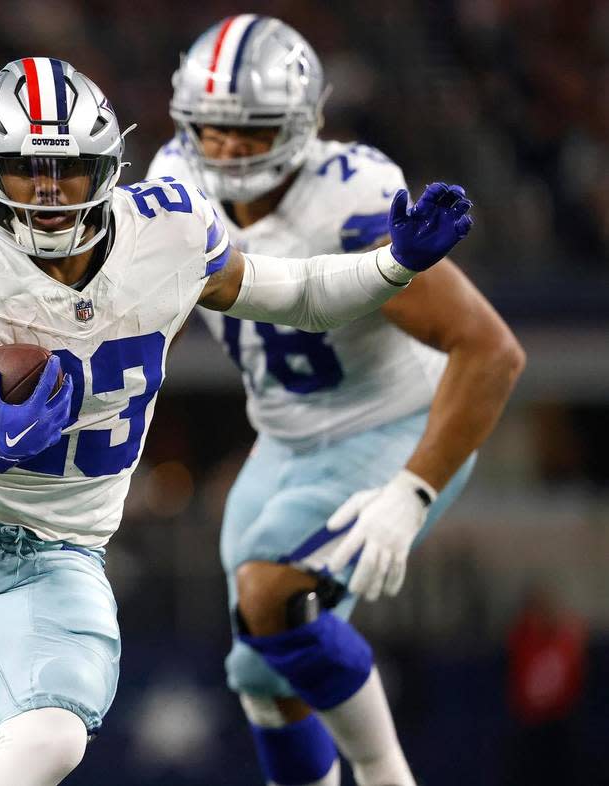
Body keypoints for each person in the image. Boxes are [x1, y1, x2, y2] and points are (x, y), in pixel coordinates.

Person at [0, 57, 473, 786]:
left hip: (61, 550)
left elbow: (292, 291)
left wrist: (392, 263)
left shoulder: (166, 235)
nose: (48, 192)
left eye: (69, 168)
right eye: (22, 167)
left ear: (108, 166)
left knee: (50, 745)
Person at [147, 16, 525, 786]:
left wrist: (411, 491)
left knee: (273, 596)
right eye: (211, 129)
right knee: (258, 675)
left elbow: (491, 350)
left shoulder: (349, 199)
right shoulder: (173, 184)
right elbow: (149, 324)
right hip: (284, 439)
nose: (223, 149)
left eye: (248, 131)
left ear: (304, 122)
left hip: (392, 427)